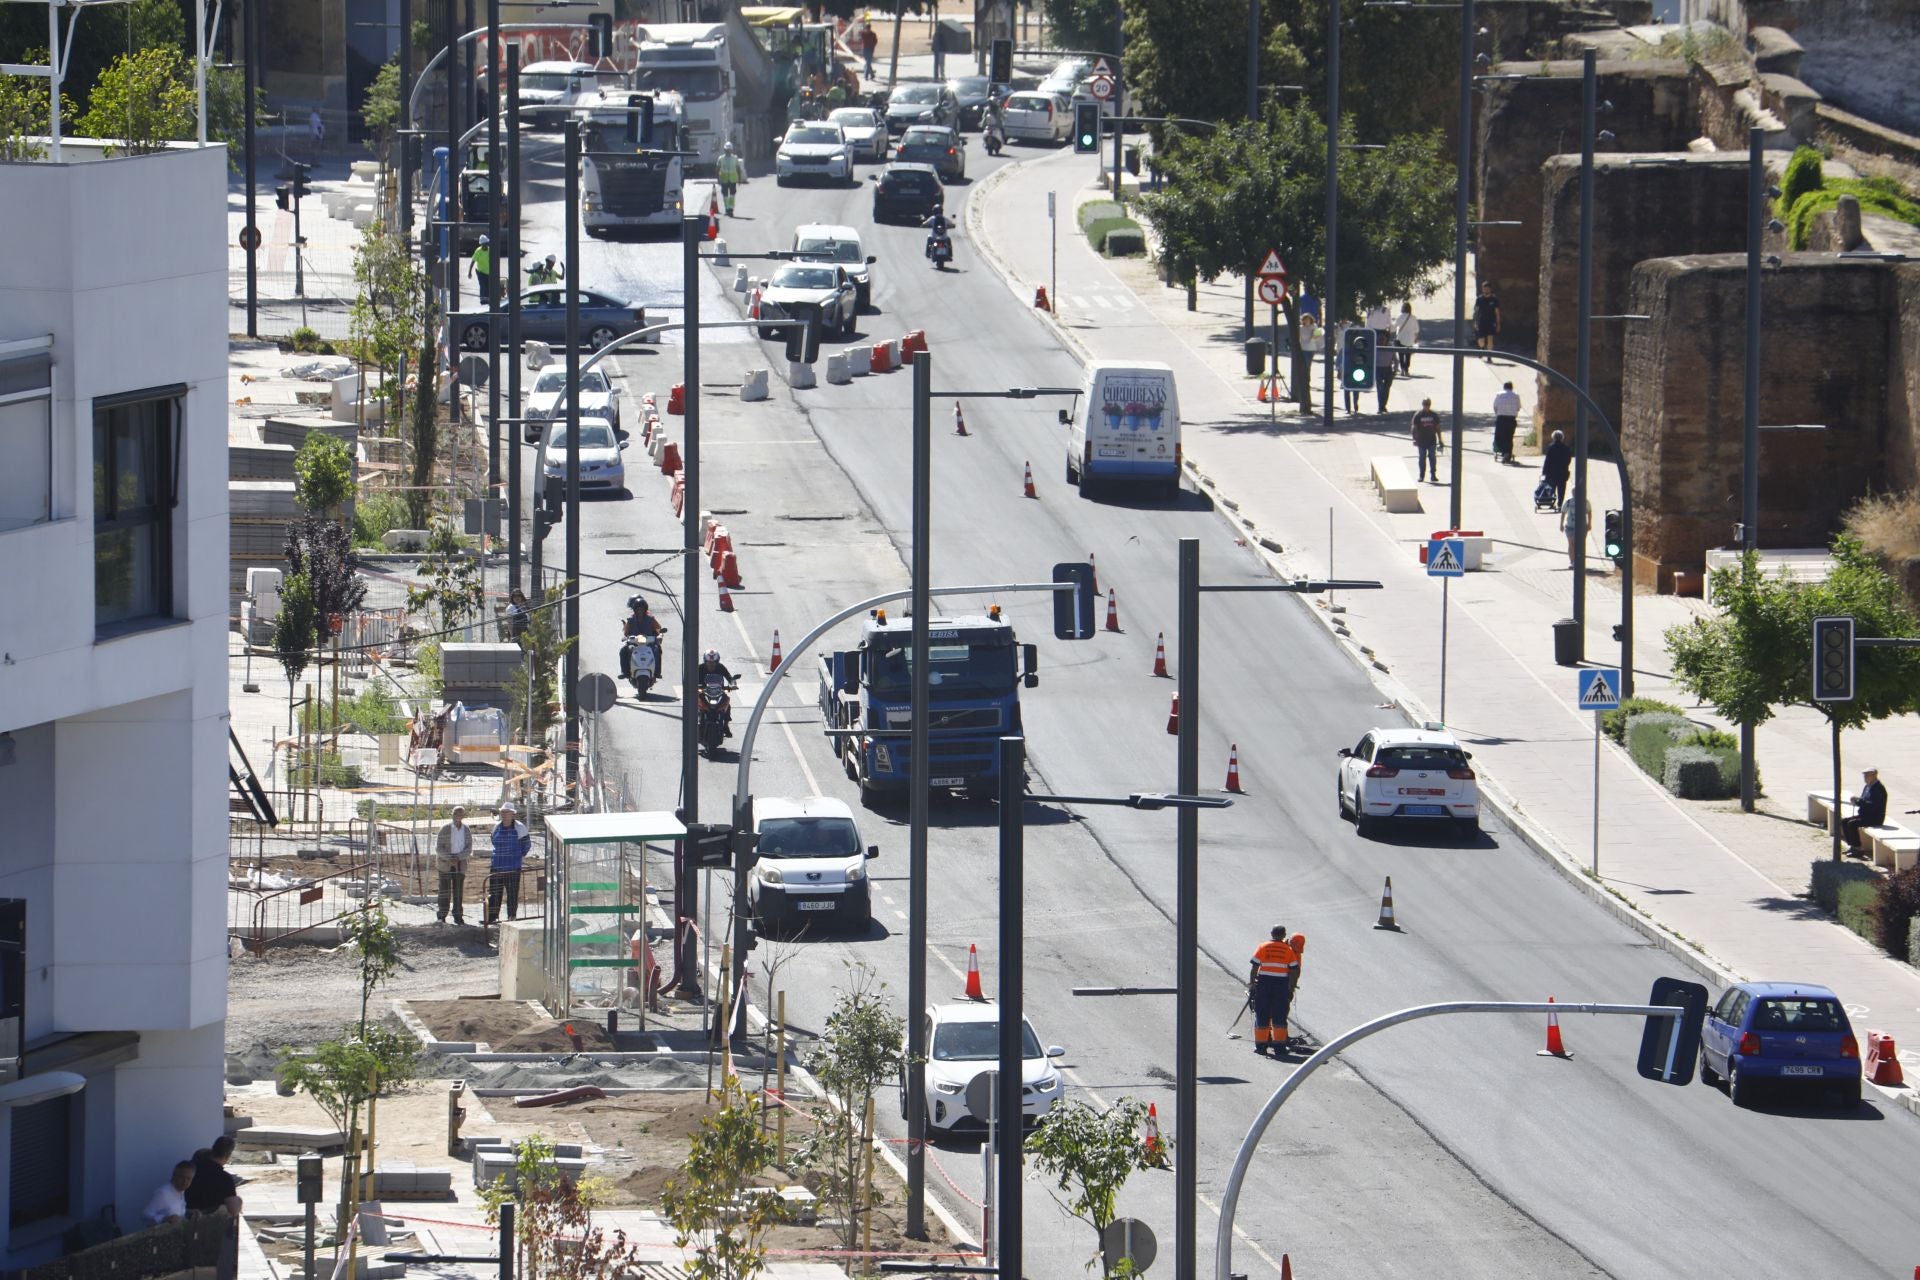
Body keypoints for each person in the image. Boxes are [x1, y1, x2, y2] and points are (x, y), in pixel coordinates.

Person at [1247, 925, 1299, 1056]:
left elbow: (1255, 967)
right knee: (1279, 1015)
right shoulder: (1288, 950)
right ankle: (1279, 1047)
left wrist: (1253, 984)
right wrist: (1291, 987)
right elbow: (1293, 970)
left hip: (1264, 984)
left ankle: (1261, 1046)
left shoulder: (1263, 946)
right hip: (1281, 986)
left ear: (1272, 934)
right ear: (1284, 935)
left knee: (1262, 1013)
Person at [485, 803, 532, 925]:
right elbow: (493, 840)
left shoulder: (520, 828)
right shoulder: (496, 827)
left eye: (507, 812)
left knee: (512, 893)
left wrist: (517, 856)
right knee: (494, 893)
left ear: (513, 814)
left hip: (512, 868)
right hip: (497, 866)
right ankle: (492, 917)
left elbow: (526, 845)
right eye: (503, 812)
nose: (504, 814)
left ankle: (512, 917)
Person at [186, 1137, 243, 1218]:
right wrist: (239, 1201)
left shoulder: (192, 1168)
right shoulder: (224, 1178)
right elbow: (234, 1210)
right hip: (209, 1223)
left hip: (185, 1216)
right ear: (228, 1155)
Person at [436, 806, 473, 925]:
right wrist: (449, 858)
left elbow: (469, 848)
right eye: (456, 813)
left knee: (458, 891)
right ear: (452, 814)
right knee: (444, 891)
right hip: (445, 864)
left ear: (463, 815)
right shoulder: (445, 828)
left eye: (460, 813)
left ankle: (458, 916)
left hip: (460, 864)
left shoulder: (466, 829)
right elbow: (439, 847)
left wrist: (458, 858)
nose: (458, 815)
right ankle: (442, 915)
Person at [1842, 768, 1889, 856]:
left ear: (1874, 775)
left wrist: (1859, 801)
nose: (1865, 777)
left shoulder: (1878, 789)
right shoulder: (1867, 786)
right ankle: (1852, 846)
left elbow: (1873, 806)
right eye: (1864, 775)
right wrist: (1856, 801)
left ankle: (1858, 849)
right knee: (1844, 821)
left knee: (1852, 824)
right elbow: (1863, 801)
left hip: (1874, 817)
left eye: (1867, 775)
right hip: (1864, 815)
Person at [621, 595, 665, 680]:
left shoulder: (650, 619)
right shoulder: (630, 620)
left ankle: (657, 672)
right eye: (638, 609)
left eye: (642, 609)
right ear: (635, 610)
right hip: (635, 643)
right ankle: (625, 672)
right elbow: (626, 633)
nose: (640, 611)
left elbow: (658, 629)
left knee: (657, 650)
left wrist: (660, 635)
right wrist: (625, 637)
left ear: (645, 609)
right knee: (624, 650)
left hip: (649, 643)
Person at [697, 648, 739, 734]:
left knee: (727, 702)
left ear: (717, 661)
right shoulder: (700, 668)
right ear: (705, 661)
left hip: (719, 691)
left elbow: (729, 677)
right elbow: (691, 678)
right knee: (693, 704)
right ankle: (694, 724)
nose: (711, 664)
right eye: (709, 662)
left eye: (714, 662)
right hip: (703, 692)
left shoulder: (721, 667)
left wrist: (733, 684)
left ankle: (726, 726)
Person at [144, 1161, 195, 1225]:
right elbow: (145, 1216)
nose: (185, 1182)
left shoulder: (181, 1190)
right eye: (182, 1177)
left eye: (189, 1179)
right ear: (174, 1175)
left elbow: (174, 1210)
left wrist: (189, 1212)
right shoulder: (162, 1194)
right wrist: (164, 1219)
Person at [1411, 399, 1443, 482]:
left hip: (1431, 440)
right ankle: (1421, 476)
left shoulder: (1434, 415)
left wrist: (1440, 440)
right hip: (1421, 441)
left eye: (1428, 404)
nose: (1427, 406)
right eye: (1425, 404)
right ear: (1422, 404)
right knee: (1422, 458)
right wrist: (1414, 439)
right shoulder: (1418, 415)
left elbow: (1438, 428)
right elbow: (1414, 427)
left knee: (1432, 457)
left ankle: (1433, 475)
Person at [1491, 381, 1522, 464]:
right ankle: (1507, 453)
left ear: (1504, 387)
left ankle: (1504, 453)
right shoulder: (1516, 396)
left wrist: (1497, 414)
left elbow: (1495, 407)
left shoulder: (1499, 395)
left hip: (1501, 419)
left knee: (1499, 437)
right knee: (1509, 437)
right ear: (1512, 387)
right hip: (1511, 419)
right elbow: (1518, 408)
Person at [1541, 429, 1572, 509]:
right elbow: (1568, 460)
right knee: (1561, 489)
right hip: (1562, 472)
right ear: (1562, 438)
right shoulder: (1566, 448)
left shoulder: (1551, 447)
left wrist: (1544, 472)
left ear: (1553, 437)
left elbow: (1547, 460)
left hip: (1552, 473)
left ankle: (1552, 503)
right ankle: (1560, 504)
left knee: (1552, 488)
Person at [1560, 488, 1591, 568]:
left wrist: (1589, 523)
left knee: (1580, 544)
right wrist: (1561, 524)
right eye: (1574, 493)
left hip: (1582, 527)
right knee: (1571, 543)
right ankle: (1572, 561)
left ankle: (1580, 561)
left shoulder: (1585, 502)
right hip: (1570, 526)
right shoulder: (1568, 502)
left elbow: (1589, 512)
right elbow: (1563, 513)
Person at [716, 141, 744, 217]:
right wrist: (718, 179)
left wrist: (739, 179)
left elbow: (738, 169)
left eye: (729, 150)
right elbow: (717, 169)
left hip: (732, 179)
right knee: (725, 194)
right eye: (727, 150)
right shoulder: (721, 158)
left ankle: (730, 209)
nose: (728, 151)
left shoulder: (735, 158)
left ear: (731, 150)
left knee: (732, 194)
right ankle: (727, 208)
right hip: (724, 179)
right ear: (725, 150)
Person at [1472, 281, 1501, 351]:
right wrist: (1475, 322)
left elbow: (1497, 312)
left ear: (1490, 289)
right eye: (1484, 289)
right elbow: (1476, 311)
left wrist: (1498, 324)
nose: (1486, 290)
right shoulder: (1479, 299)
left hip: (1491, 322)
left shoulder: (1494, 299)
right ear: (1482, 289)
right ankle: (1481, 348)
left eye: (1487, 289)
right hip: (1481, 321)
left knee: (1490, 339)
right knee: (1481, 341)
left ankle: (1489, 356)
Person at [1374, 332, 1398, 414]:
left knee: (1386, 389)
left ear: (1386, 340)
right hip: (1378, 369)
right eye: (1380, 339)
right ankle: (1380, 407)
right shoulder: (1375, 348)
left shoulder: (1390, 348)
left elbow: (1395, 360)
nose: (1381, 341)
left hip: (1388, 369)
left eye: (1383, 339)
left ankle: (1383, 405)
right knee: (1380, 388)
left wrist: (1395, 370)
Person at [1393, 302, 1419, 374]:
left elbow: (1394, 326)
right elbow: (1416, 329)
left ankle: (1402, 369)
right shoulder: (1413, 317)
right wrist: (1416, 338)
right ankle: (1406, 369)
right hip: (1410, 339)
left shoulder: (1399, 316)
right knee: (1408, 355)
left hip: (1400, 338)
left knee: (1401, 354)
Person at [469, 234, 493, 303]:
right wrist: (469, 272)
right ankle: (483, 300)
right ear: (481, 244)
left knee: (489, 286)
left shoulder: (490, 250)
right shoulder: (478, 251)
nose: (485, 245)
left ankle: (488, 299)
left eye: (486, 244)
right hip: (481, 272)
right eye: (484, 244)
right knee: (483, 286)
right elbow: (473, 261)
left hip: (489, 272)